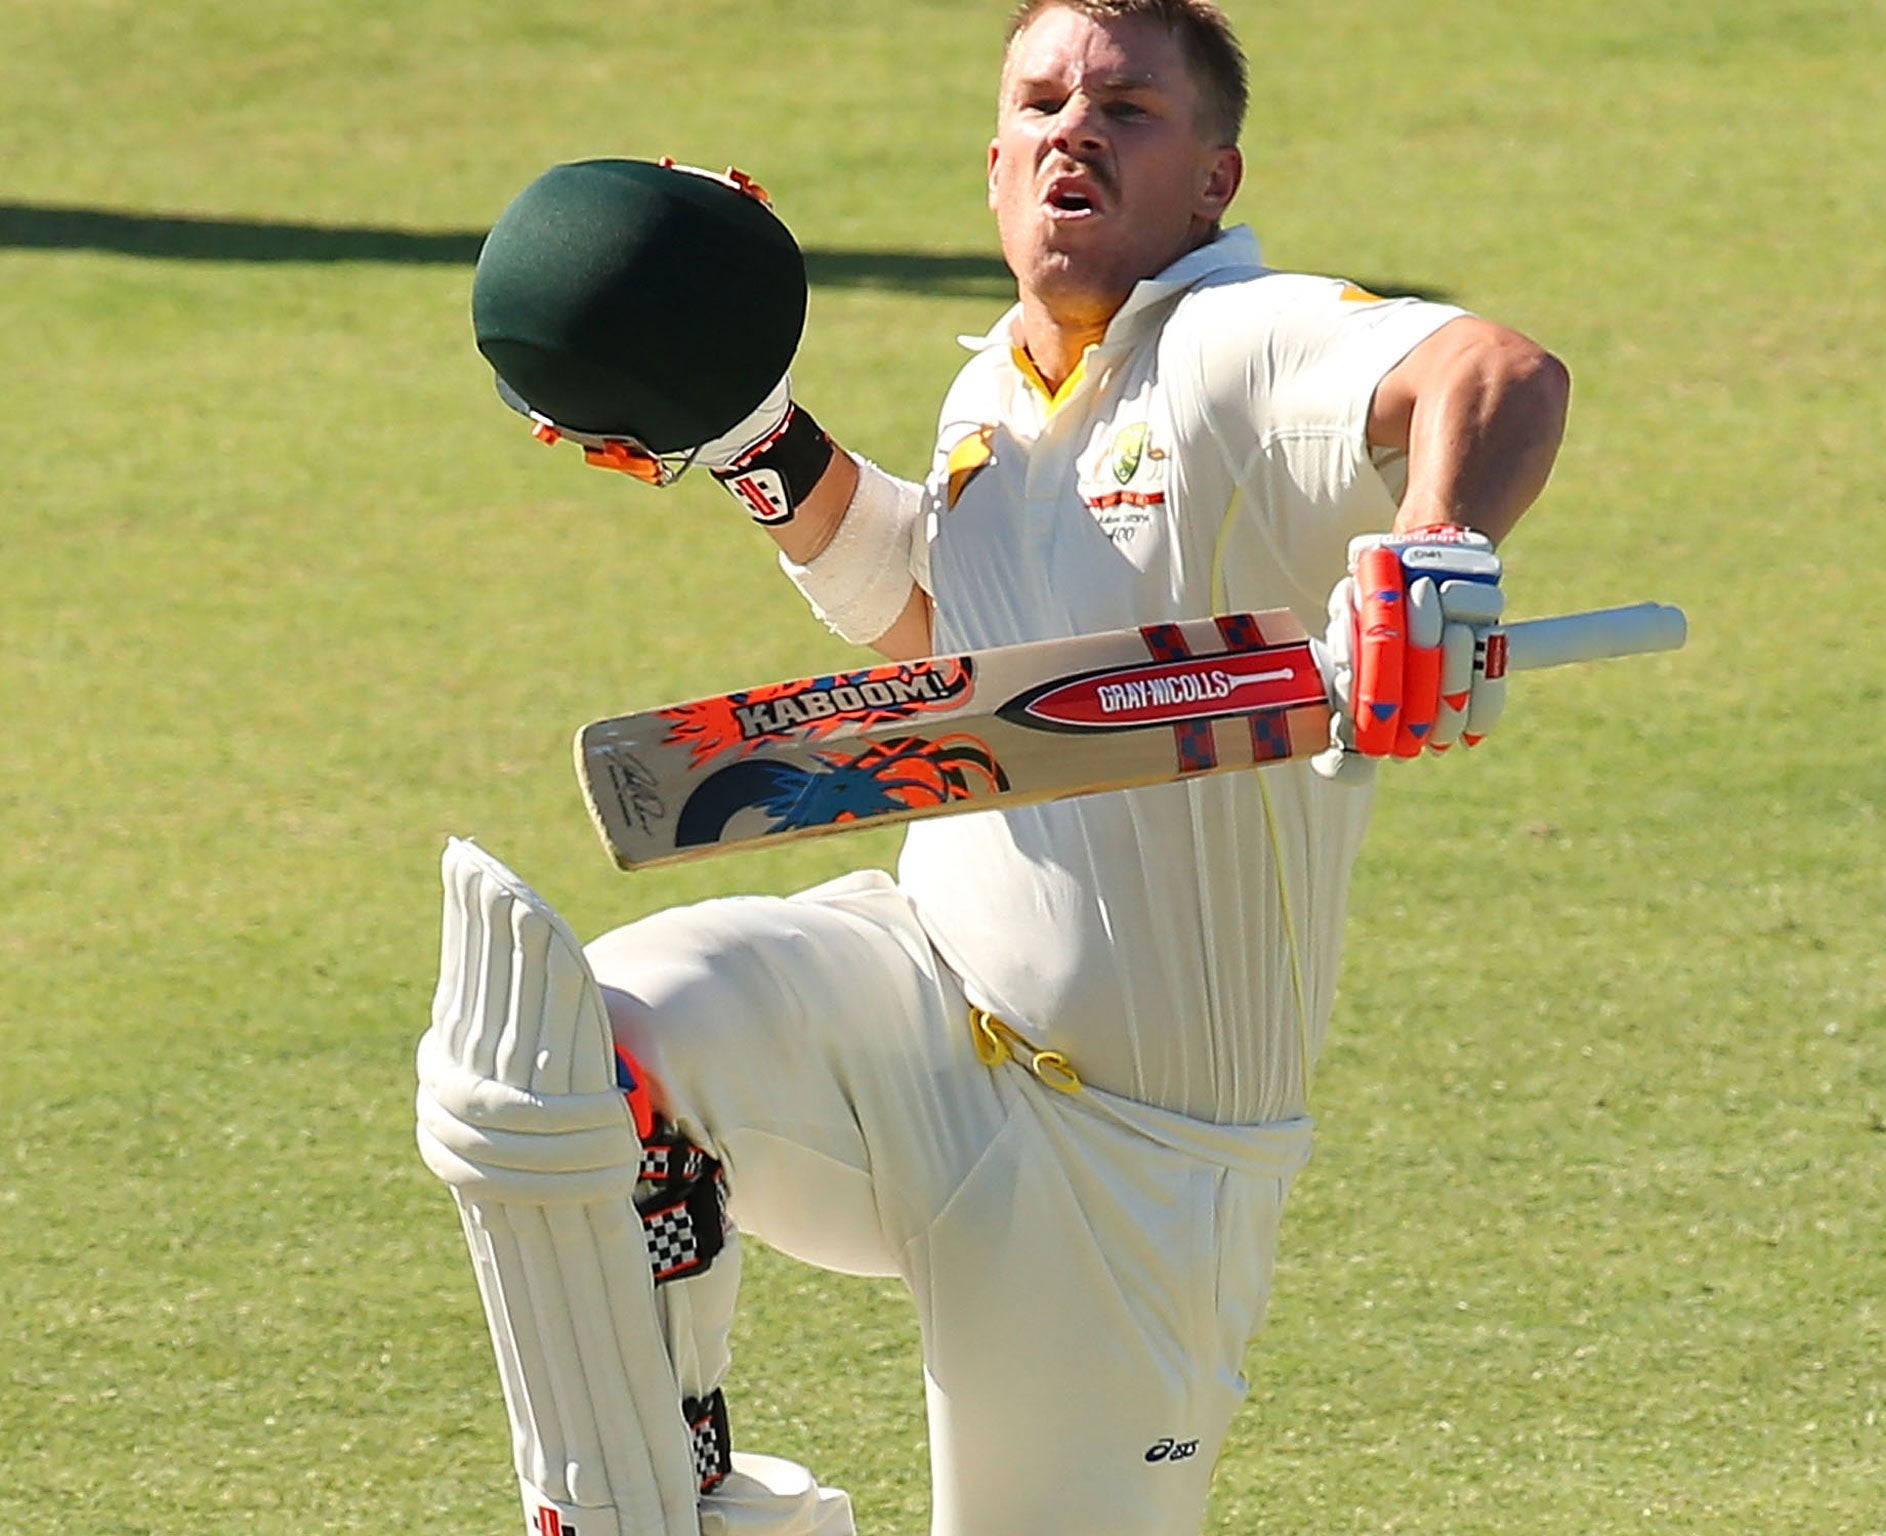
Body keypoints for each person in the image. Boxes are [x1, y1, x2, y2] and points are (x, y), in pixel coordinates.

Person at [416, 2, 1570, 1533]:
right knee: (566, 1061)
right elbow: (942, 634)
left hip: (1138, 1167)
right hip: (914, 1007)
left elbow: (1492, 369)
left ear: (1213, 180)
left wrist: (1437, 550)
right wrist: (764, 442)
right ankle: (675, 1502)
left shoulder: (1238, 342)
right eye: (1040, 101)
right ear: (994, 163)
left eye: (1128, 108)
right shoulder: (994, 394)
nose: (1073, 128)